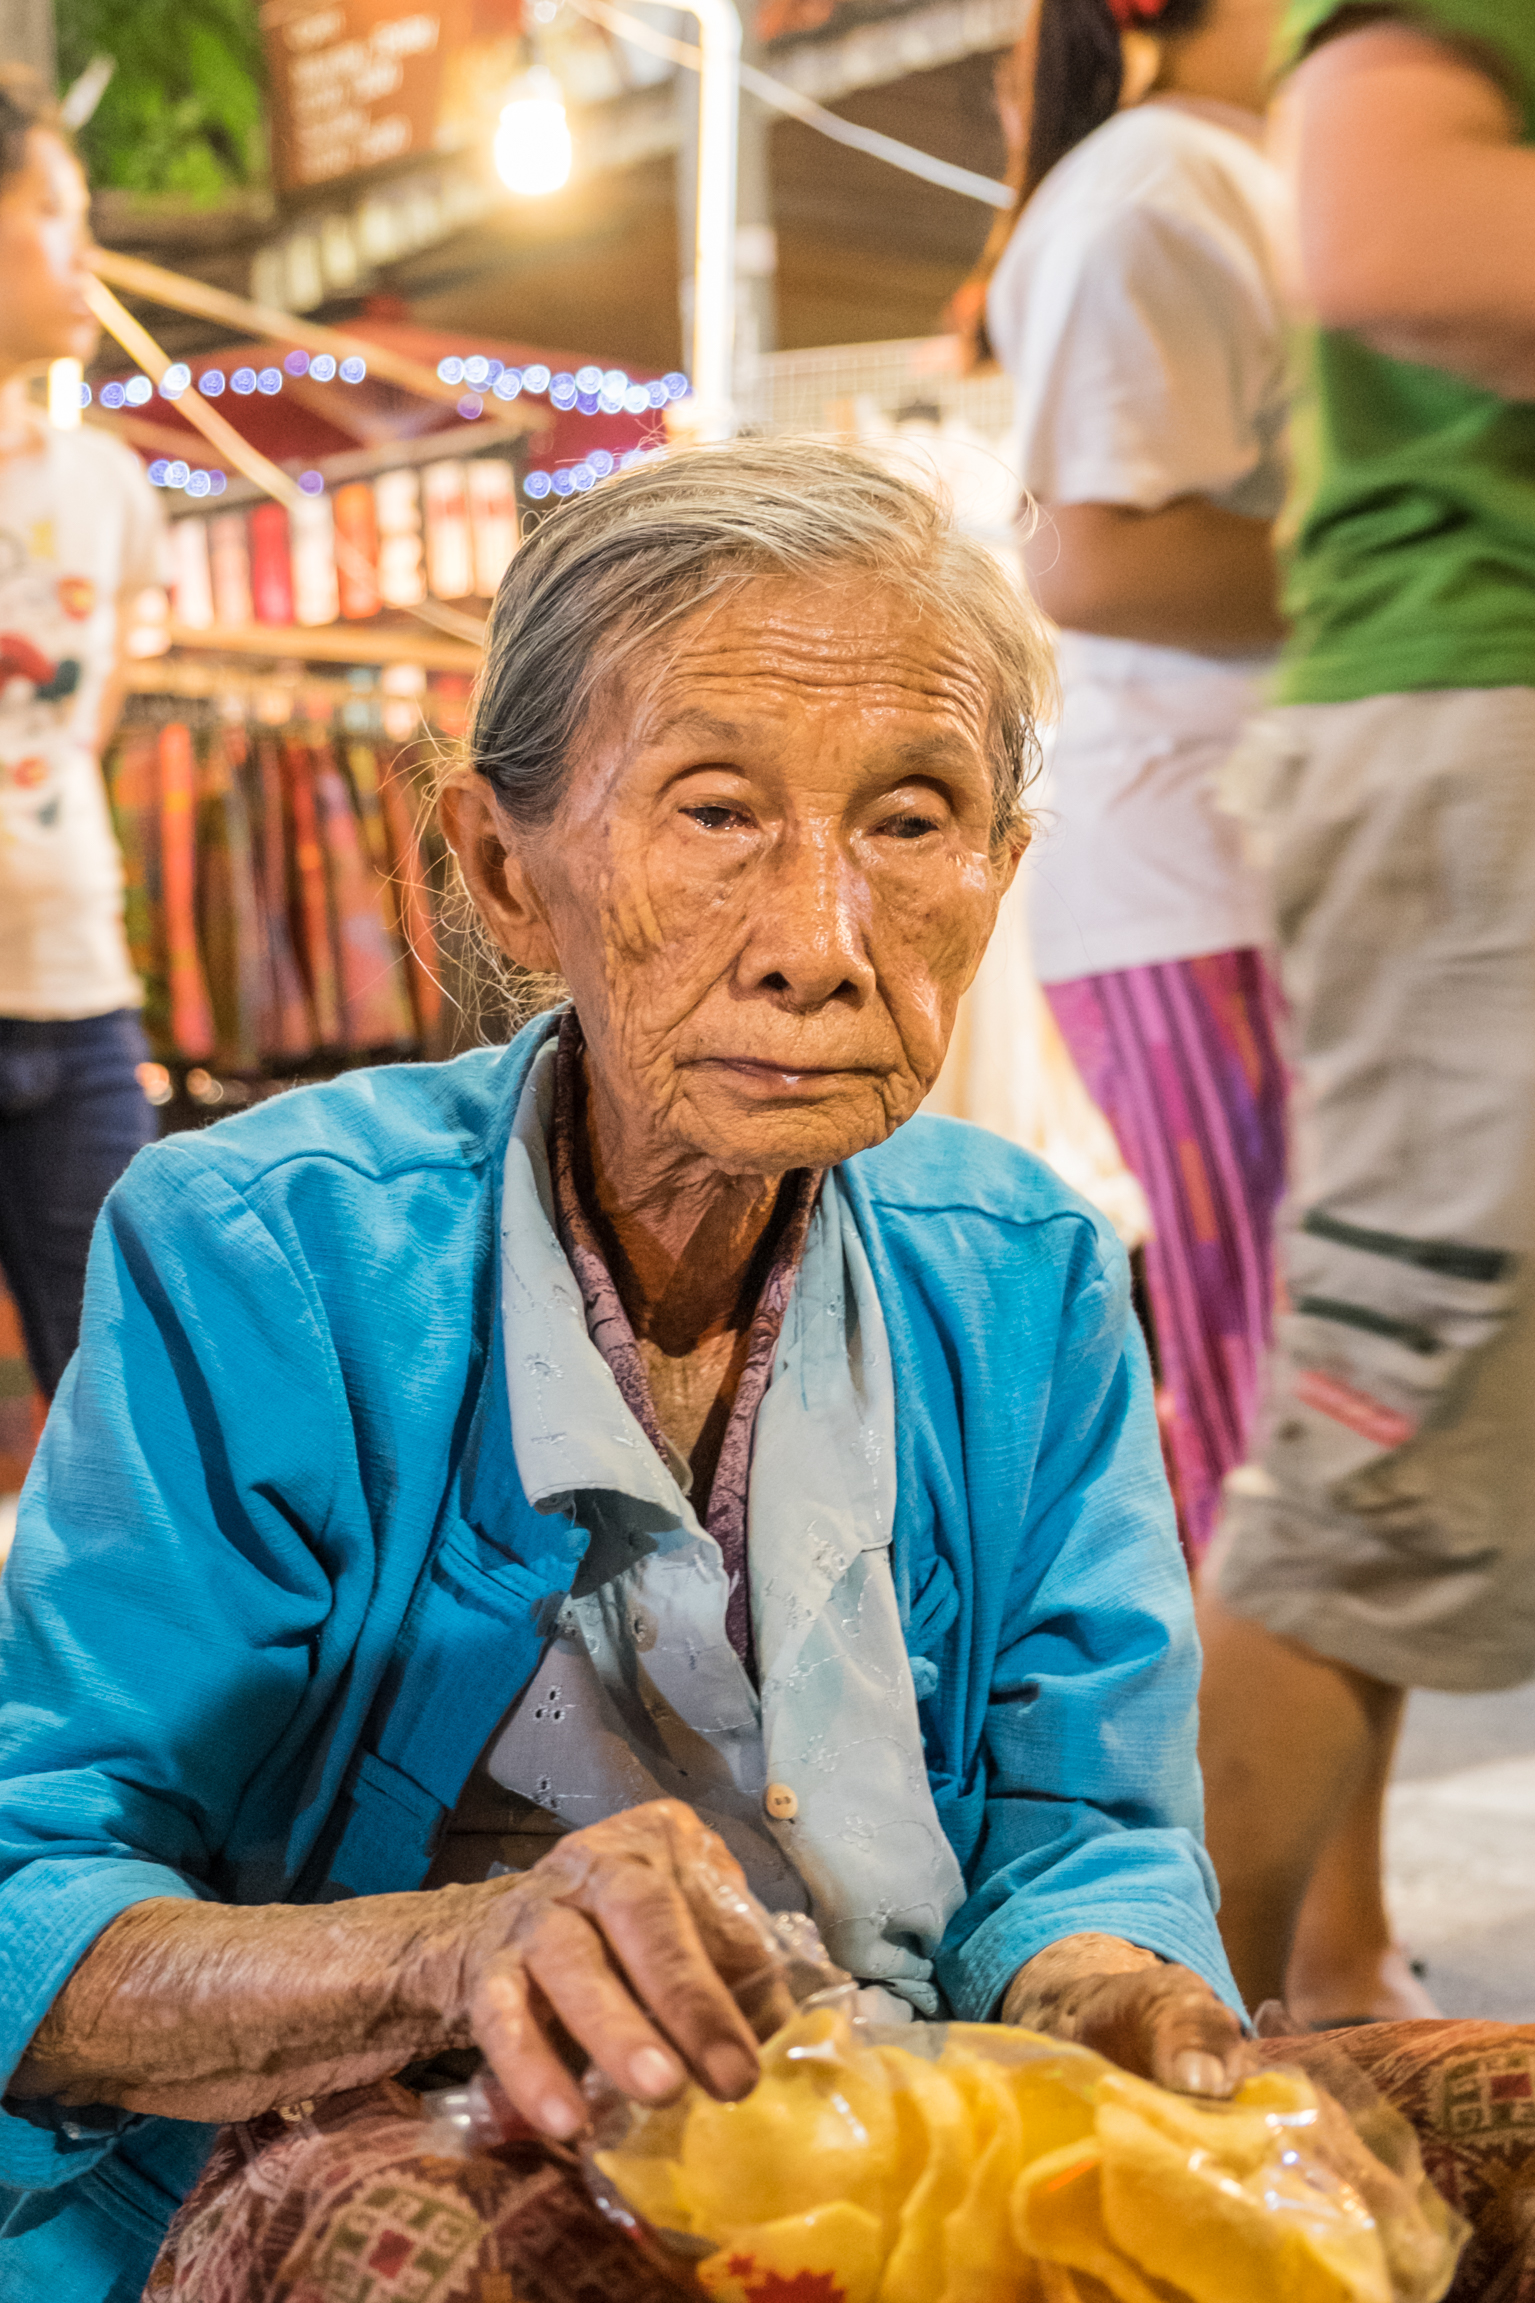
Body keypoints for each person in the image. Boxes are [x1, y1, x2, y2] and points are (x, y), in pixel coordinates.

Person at [0, 443, 1250, 2303]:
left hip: (873, 2122)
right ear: (507, 872)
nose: (823, 947)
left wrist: (1120, 1999)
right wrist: (459, 1953)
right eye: (717, 812)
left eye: (913, 821)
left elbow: (1089, 1834)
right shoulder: (260, 1250)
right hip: (369, 2140)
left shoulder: (1027, 1268)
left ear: (1002, 872)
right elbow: (37, 1909)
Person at [1197, 0, 1535, 2028]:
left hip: (1450, 741)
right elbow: (1389, 235)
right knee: (1369, 1448)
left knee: (1379, 1450)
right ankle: (1161, 2086)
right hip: (1478, 736)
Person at [973, 0, 1291, 1559]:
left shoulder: (1237, 173)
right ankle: (1230, 1813)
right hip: (1209, 880)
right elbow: (1094, 556)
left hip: (1270, 873)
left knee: (1333, 1474)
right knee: (1290, 1467)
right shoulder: (1153, 188)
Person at [0, 70, 161, 1403]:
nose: (84, 249)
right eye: (56, 209)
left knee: (126, 1394)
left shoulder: (109, 493)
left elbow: (82, 731)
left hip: (78, 985)